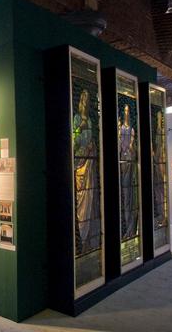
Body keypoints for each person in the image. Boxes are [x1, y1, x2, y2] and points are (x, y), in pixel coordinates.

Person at [72, 90, 101, 256]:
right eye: (83, 98)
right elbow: (73, 141)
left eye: (87, 99)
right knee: (82, 199)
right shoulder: (76, 119)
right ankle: (81, 239)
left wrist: (92, 147)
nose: (85, 102)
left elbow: (90, 141)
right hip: (80, 165)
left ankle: (89, 239)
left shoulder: (89, 120)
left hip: (89, 163)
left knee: (90, 199)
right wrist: (78, 130)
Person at [119, 104, 138, 241]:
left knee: (130, 196)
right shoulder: (120, 129)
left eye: (128, 110)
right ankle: (128, 229)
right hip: (122, 163)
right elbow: (120, 146)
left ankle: (131, 229)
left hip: (130, 164)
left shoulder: (131, 130)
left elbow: (132, 149)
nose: (126, 112)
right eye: (124, 110)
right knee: (125, 197)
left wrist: (130, 148)